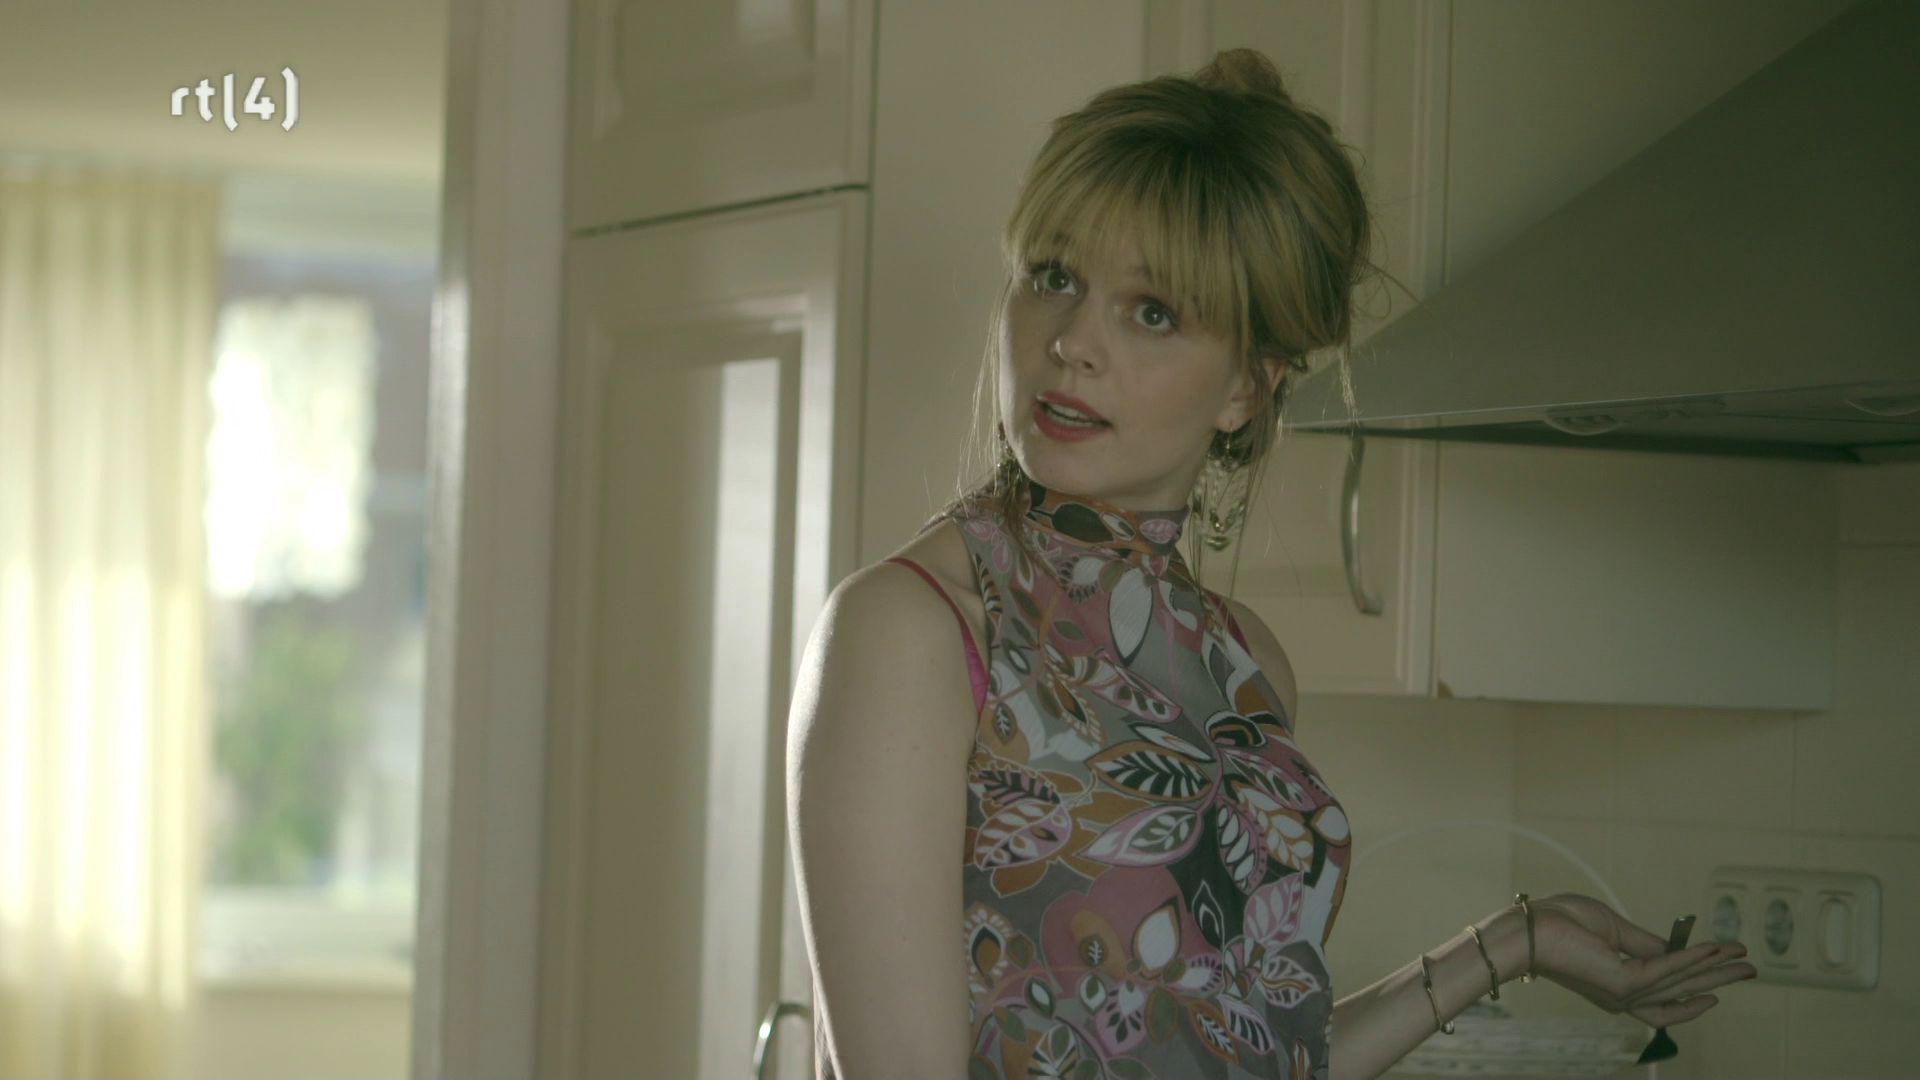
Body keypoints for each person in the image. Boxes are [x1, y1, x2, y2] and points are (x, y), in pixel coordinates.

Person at [785, 48, 1756, 1080]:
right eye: (1054, 277)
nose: (1072, 342)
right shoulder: (909, 631)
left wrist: (1514, 942)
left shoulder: (1246, 664)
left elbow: (1256, 1046)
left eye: (1152, 311)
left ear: (1247, 387)